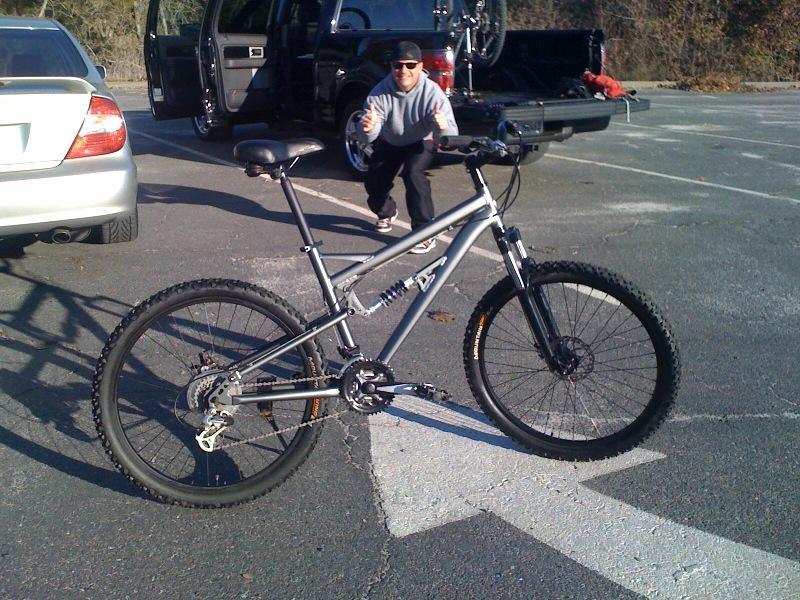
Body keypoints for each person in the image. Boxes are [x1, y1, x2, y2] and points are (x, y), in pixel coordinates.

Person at [357, 41, 458, 254]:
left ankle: (424, 232)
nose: (403, 70)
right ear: (391, 67)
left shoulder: (433, 93)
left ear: (420, 66)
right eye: (398, 65)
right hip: (391, 140)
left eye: (410, 65)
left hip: (421, 140)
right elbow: (366, 137)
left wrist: (442, 127)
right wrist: (368, 127)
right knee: (374, 177)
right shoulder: (378, 93)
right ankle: (386, 212)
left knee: (413, 174)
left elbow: (450, 136)